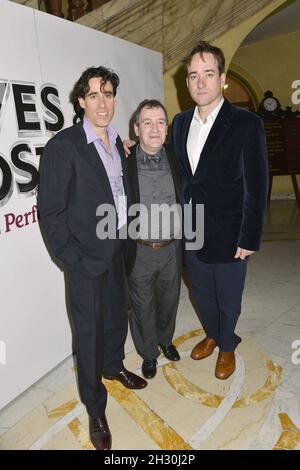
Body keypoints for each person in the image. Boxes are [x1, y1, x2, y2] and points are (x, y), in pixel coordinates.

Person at [38, 66, 147, 451]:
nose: (103, 102)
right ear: (81, 101)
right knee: (87, 333)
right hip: (85, 259)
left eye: (109, 93)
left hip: (119, 248)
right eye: (94, 95)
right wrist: (72, 260)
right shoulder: (63, 146)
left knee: (118, 318)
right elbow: (50, 211)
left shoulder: (118, 142)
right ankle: (95, 407)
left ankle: (114, 365)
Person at [171, 41, 268, 379]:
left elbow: (257, 184)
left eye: (208, 74)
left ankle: (227, 345)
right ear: (186, 83)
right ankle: (213, 333)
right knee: (200, 291)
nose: (200, 83)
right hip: (192, 227)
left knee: (228, 296)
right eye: (193, 76)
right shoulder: (180, 123)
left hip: (231, 229)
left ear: (222, 78)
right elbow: (176, 169)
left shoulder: (246, 123)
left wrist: (249, 236)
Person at [126, 99, 182, 379]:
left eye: (160, 122)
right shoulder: (123, 160)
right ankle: (149, 354)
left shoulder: (177, 156)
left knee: (170, 300)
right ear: (136, 129)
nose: (154, 129)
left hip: (172, 248)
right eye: (147, 123)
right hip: (140, 250)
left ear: (167, 128)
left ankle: (165, 340)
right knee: (142, 305)